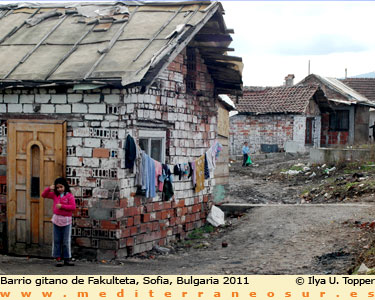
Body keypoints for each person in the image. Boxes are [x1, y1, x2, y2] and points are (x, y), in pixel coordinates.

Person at [42, 177, 76, 267]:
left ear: (65, 186)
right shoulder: (54, 195)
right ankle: (58, 258)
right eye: (57, 188)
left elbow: (73, 207)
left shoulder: (69, 196)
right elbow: (43, 195)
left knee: (66, 241)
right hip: (56, 220)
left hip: (66, 221)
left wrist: (62, 206)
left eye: (61, 187)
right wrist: (49, 188)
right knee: (57, 240)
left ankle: (67, 258)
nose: (59, 189)